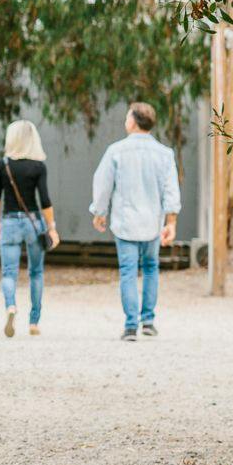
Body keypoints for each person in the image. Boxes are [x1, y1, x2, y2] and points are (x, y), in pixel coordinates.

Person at [89, 101, 181, 341]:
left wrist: (99, 212)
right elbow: (171, 190)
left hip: (125, 222)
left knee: (128, 272)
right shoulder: (164, 153)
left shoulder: (116, 151)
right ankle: (148, 321)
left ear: (132, 121)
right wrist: (171, 222)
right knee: (151, 269)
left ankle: (131, 325)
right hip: (153, 223)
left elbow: (102, 184)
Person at [0, 120, 59, 337]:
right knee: (36, 272)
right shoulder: (38, 166)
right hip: (33, 223)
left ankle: (11, 307)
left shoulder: (4, 164)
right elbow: (45, 201)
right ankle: (34, 322)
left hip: (9, 221)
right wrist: (52, 228)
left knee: (9, 272)